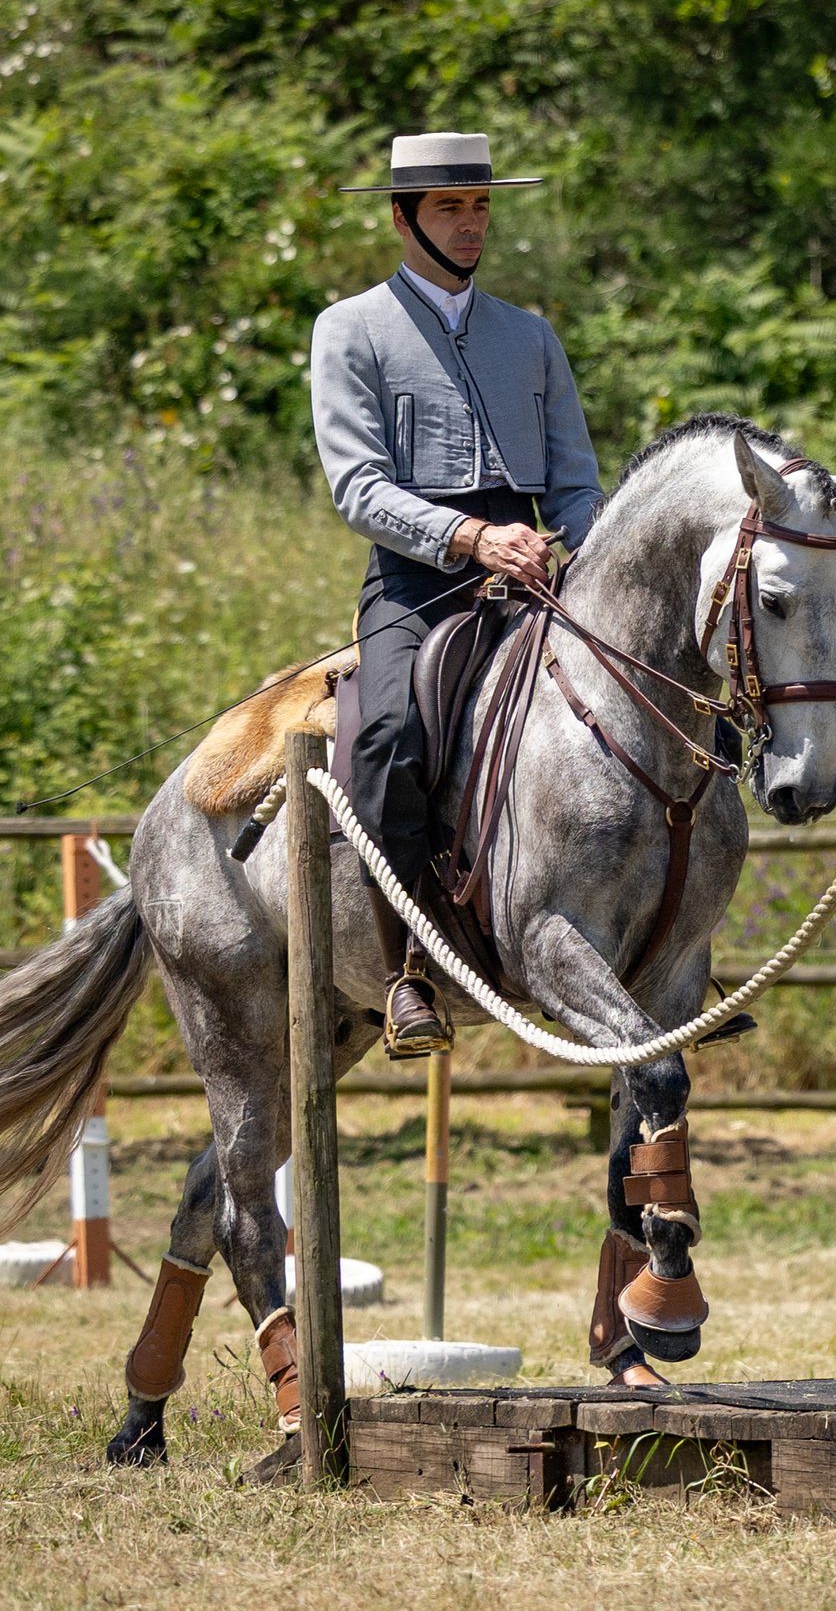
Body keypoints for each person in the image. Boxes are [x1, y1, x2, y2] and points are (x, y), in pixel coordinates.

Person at [311, 131, 602, 1056]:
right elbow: (357, 488)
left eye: (479, 206)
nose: (471, 225)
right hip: (417, 579)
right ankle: (405, 972)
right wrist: (471, 537)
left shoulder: (532, 336)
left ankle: (656, 939)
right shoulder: (349, 329)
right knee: (391, 734)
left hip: (536, 569)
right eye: (449, 208)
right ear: (403, 218)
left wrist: (590, 559)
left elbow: (576, 485)